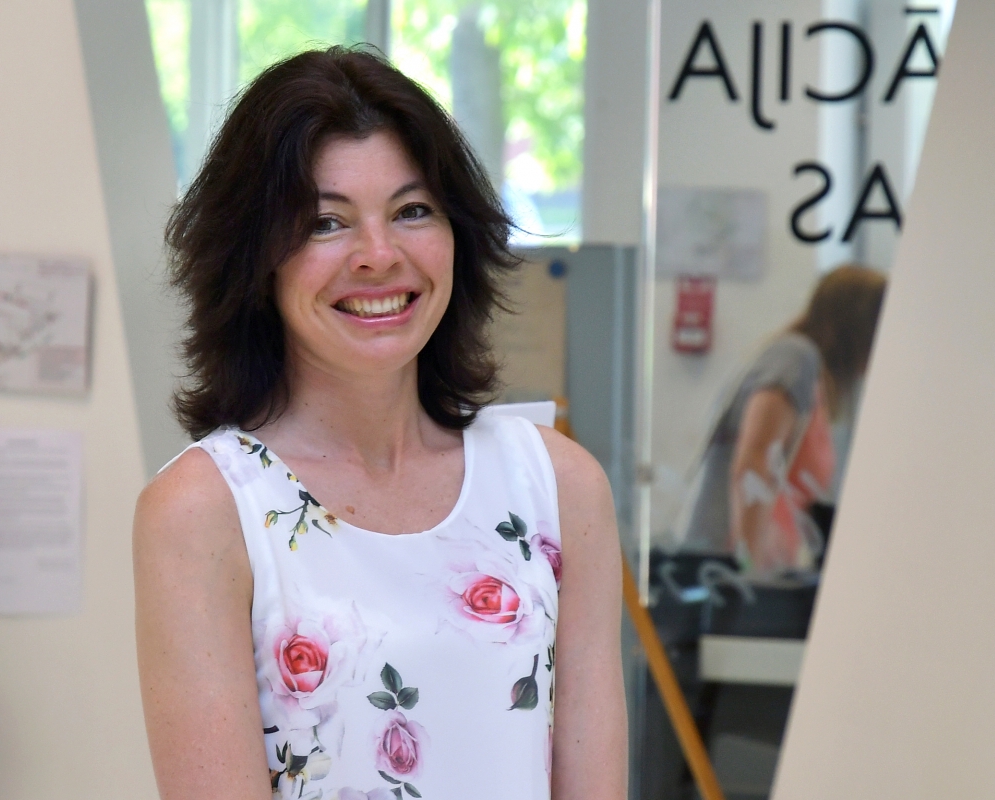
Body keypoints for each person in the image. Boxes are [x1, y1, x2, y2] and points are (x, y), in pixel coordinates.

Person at [132, 47, 626, 800]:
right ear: (255, 258)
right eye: (325, 222)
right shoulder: (203, 512)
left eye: (412, 211)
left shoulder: (559, 486)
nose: (379, 255)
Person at [677, 264, 887, 573]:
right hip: (726, 570)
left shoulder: (816, 381)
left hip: (758, 570)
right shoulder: (795, 358)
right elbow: (754, 460)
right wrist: (749, 567)